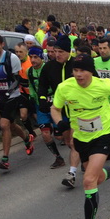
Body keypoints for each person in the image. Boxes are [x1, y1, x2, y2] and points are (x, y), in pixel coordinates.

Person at [51, 54, 110, 219]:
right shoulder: (65, 87)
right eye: (75, 71)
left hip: (102, 134)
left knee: (87, 180)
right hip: (81, 138)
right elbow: (55, 108)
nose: (78, 74)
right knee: (95, 178)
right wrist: (59, 122)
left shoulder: (102, 84)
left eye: (82, 71)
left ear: (90, 72)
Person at [0, 34, 35, 170]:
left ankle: (5, 159)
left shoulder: (12, 58)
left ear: (2, 45)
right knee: (12, 125)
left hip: (12, 96)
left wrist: (8, 92)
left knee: (4, 124)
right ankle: (26, 139)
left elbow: (17, 79)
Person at [38, 36, 80, 187]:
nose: (57, 55)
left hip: (78, 109)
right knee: (69, 142)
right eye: (55, 51)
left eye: (61, 51)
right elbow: (42, 86)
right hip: (61, 110)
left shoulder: (77, 64)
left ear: (69, 52)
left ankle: (72, 174)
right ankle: (85, 155)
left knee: (75, 143)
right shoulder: (49, 67)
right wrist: (42, 99)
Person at [27, 46, 66, 169]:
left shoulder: (49, 68)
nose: (33, 60)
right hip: (41, 105)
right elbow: (31, 87)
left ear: (41, 58)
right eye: (31, 57)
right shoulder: (29, 71)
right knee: (45, 134)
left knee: (60, 136)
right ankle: (58, 158)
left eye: (35, 57)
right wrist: (34, 100)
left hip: (54, 104)